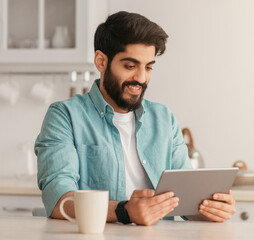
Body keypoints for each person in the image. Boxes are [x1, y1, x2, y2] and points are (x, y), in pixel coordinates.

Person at [35, 11, 236, 226]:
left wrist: (209, 208)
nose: (141, 78)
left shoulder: (164, 118)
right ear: (101, 62)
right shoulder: (65, 116)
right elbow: (59, 201)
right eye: (130, 66)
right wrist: (125, 211)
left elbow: (185, 201)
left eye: (148, 67)